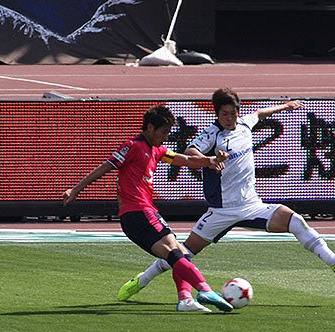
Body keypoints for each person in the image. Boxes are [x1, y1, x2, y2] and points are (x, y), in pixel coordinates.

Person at [117, 87, 335, 310]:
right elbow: (191, 151)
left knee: (295, 220)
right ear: (217, 114)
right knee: (182, 253)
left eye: (233, 112)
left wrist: (285, 106)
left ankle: (334, 261)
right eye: (224, 114)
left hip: (252, 205)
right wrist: (211, 160)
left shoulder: (245, 124)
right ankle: (142, 280)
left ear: (238, 111)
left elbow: (260, 114)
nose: (229, 118)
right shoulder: (212, 134)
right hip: (221, 211)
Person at [62, 104, 234, 313]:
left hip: (134, 218)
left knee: (178, 254)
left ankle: (186, 300)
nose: (166, 137)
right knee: (175, 252)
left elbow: (187, 160)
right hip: (140, 212)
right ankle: (204, 290)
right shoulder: (133, 146)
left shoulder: (158, 150)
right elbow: (106, 166)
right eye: (163, 132)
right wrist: (76, 189)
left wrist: (211, 160)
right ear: (150, 128)